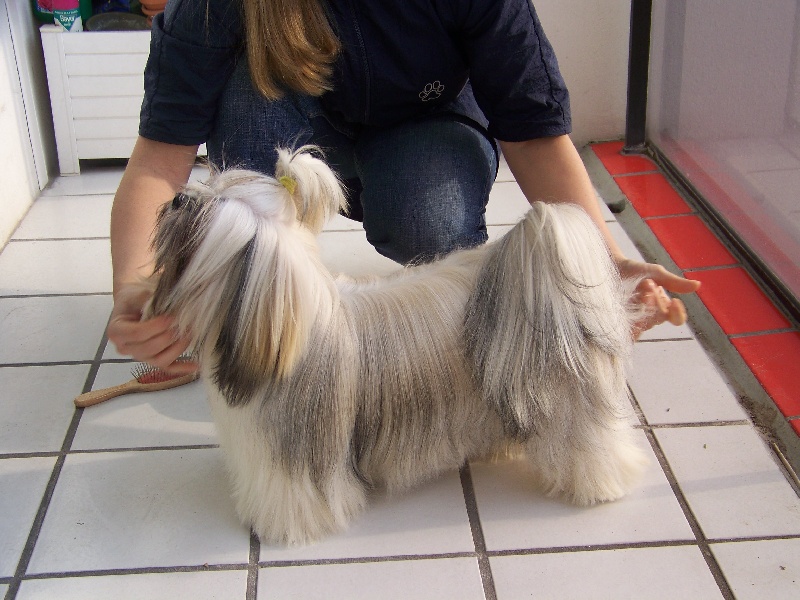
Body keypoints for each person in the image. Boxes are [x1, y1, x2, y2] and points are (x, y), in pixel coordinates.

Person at [107, 0, 700, 372]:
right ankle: (258, 307)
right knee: (246, 115)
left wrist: (605, 261)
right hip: (287, 122)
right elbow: (160, 159)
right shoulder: (210, 8)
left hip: (426, 121)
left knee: (432, 223)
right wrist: (139, 287)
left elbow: (534, 136)